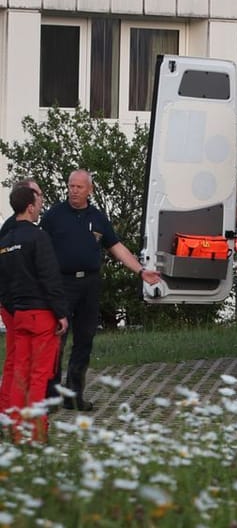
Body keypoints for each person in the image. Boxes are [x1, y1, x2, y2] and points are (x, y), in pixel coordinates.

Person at [39, 170, 163, 411]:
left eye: (79, 187)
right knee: (57, 342)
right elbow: (40, 250)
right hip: (62, 285)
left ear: (89, 190)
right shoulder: (53, 216)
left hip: (89, 285)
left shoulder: (97, 218)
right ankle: (51, 397)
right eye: (71, 186)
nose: (74, 190)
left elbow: (116, 247)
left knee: (84, 341)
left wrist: (141, 271)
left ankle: (73, 395)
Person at [0, 184, 69, 441]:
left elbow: (3, 284)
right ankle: (37, 432)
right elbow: (50, 278)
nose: (41, 205)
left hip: (18, 315)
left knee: (20, 373)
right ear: (30, 207)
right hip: (42, 315)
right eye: (38, 201)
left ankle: (16, 431)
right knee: (39, 376)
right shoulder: (38, 237)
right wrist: (61, 313)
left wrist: (12, 307)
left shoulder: (5, 242)